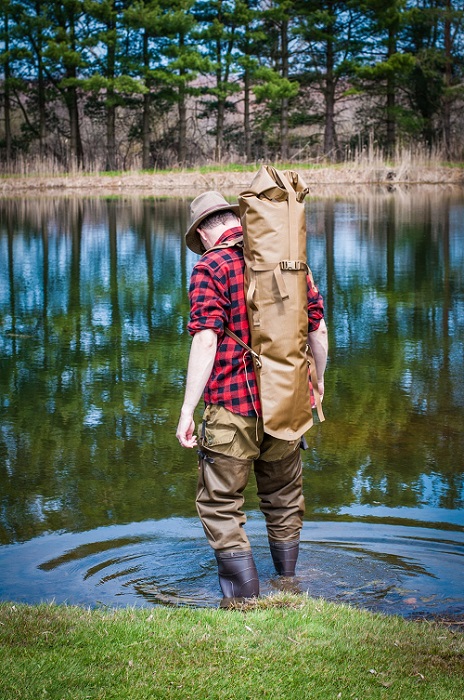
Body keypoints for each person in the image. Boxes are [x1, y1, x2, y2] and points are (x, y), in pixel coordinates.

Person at [176, 190, 328, 606]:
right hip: (288, 402)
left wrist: (187, 410)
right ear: (235, 221)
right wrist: (315, 385)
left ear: (205, 233)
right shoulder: (290, 261)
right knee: (283, 499)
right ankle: (289, 582)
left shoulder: (211, 265)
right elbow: (318, 330)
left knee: (222, 503)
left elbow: (206, 339)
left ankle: (243, 600)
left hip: (232, 407)